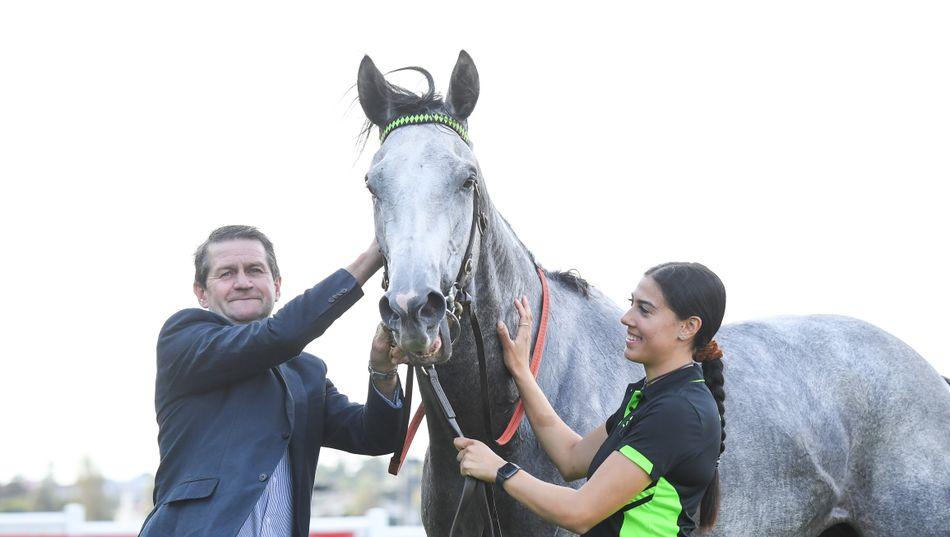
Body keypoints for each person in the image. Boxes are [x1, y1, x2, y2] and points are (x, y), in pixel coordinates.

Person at [140, 225, 405, 537]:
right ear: (201, 292)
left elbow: (374, 436)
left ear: (277, 286)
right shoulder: (183, 336)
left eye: (254, 270)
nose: (242, 282)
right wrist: (370, 260)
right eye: (226, 273)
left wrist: (383, 372)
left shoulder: (308, 372)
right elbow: (278, 336)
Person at [456, 262, 727, 536]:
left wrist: (500, 470)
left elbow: (580, 512)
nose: (626, 318)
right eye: (631, 303)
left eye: (644, 310)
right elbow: (571, 457)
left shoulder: (678, 412)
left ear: (688, 327)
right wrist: (522, 373)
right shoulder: (653, 396)